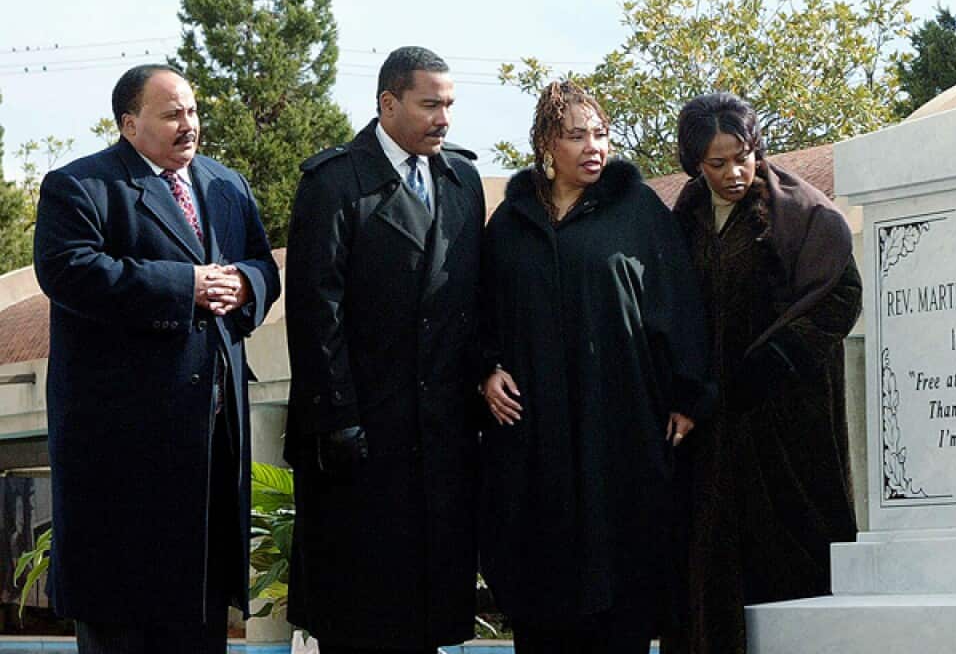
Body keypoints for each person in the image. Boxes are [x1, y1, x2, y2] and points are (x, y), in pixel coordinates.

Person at [33, 64, 280, 654]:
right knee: (123, 622)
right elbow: (67, 271)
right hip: (122, 455)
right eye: (172, 114)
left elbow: (262, 266)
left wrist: (244, 285)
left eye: (193, 111)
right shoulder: (80, 186)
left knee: (199, 621)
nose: (189, 125)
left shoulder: (225, 185)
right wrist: (183, 286)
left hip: (209, 447)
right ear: (128, 122)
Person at [479, 81, 714, 654]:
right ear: (546, 143)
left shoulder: (638, 212)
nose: (594, 147)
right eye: (577, 135)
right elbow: (478, 308)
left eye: (601, 134)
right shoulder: (510, 224)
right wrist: (485, 370)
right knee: (542, 586)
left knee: (623, 584)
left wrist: (688, 393)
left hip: (620, 426)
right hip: (534, 438)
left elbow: (679, 300)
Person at [284, 46, 486, 653]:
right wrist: (339, 418)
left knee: (429, 617)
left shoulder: (462, 179)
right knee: (362, 616)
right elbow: (317, 313)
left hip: (441, 439)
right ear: (388, 103)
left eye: (449, 104)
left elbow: (471, 302)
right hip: (359, 441)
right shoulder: (333, 183)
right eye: (430, 105)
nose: (443, 119)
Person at [663, 92, 862, 654]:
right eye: (717, 163)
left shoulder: (801, 214)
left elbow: (841, 295)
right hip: (708, 426)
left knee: (789, 564)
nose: (735, 172)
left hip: (785, 427)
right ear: (695, 164)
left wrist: (774, 362)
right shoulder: (688, 217)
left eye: (743, 155)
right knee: (710, 569)